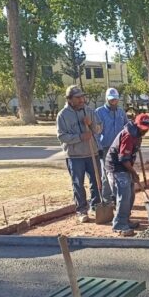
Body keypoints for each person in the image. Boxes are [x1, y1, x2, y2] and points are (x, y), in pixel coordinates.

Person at [57, 85, 103, 224]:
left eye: (82, 97)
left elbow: (99, 129)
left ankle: (96, 206)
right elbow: (62, 136)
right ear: (69, 99)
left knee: (96, 181)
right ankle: (82, 210)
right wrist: (80, 137)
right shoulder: (62, 115)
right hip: (75, 156)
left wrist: (91, 124)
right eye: (78, 98)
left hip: (92, 152)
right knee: (78, 184)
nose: (81, 100)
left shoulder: (89, 111)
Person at [105, 113, 149, 236]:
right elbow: (123, 159)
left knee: (130, 195)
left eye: (147, 129)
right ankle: (119, 224)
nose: (145, 131)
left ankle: (125, 220)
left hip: (124, 167)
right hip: (116, 167)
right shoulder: (128, 135)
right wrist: (133, 173)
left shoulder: (137, 134)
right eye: (143, 128)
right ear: (137, 125)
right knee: (124, 196)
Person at [95, 87, 129, 204]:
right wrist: (99, 148)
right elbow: (96, 133)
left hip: (120, 148)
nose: (113, 101)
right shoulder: (99, 112)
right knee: (107, 174)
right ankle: (107, 199)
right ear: (106, 99)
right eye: (111, 99)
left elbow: (126, 127)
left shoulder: (121, 112)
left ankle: (118, 196)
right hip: (106, 148)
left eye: (115, 99)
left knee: (120, 173)